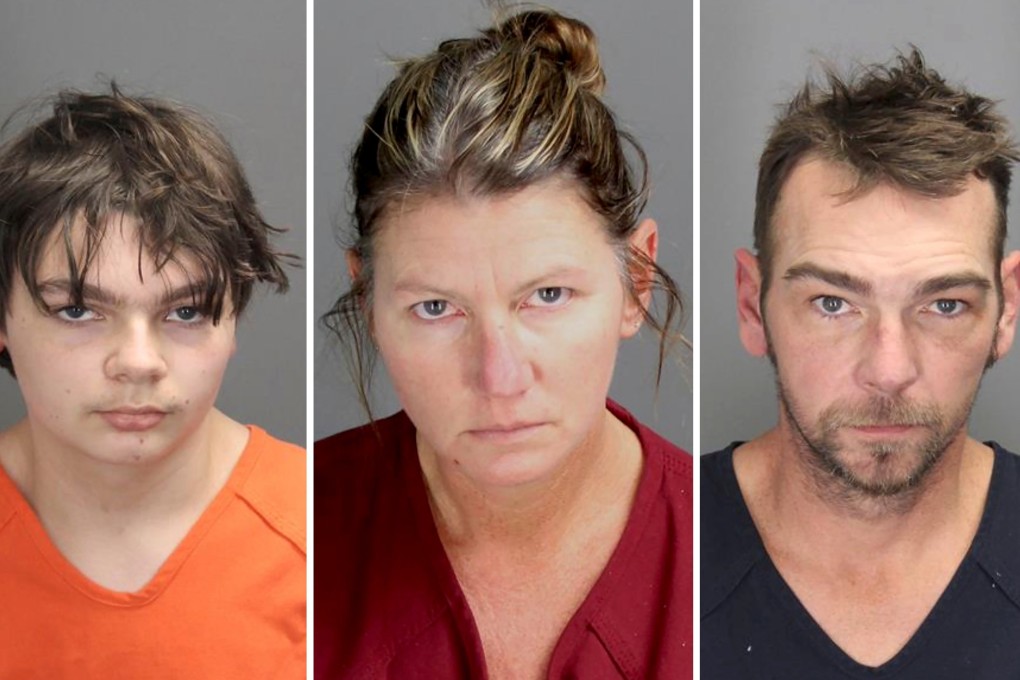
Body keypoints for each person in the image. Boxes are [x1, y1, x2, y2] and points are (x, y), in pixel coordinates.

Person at [315, 8, 692, 679]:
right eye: (436, 308)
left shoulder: (722, 551)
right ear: (368, 301)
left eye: (547, 295)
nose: (499, 376)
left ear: (636, 281)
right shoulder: (288, 537)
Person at [701, 48, 1020, 678]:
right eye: (833, 303)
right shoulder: (668, 544)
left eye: (944, 305)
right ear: (751, 303)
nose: (889, 370)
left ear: (1006, 311)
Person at [0, 87, 306, 678]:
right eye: (78, 310)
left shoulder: (325, 534)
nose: (139, 362)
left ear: (233, 320)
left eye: (185, 311)